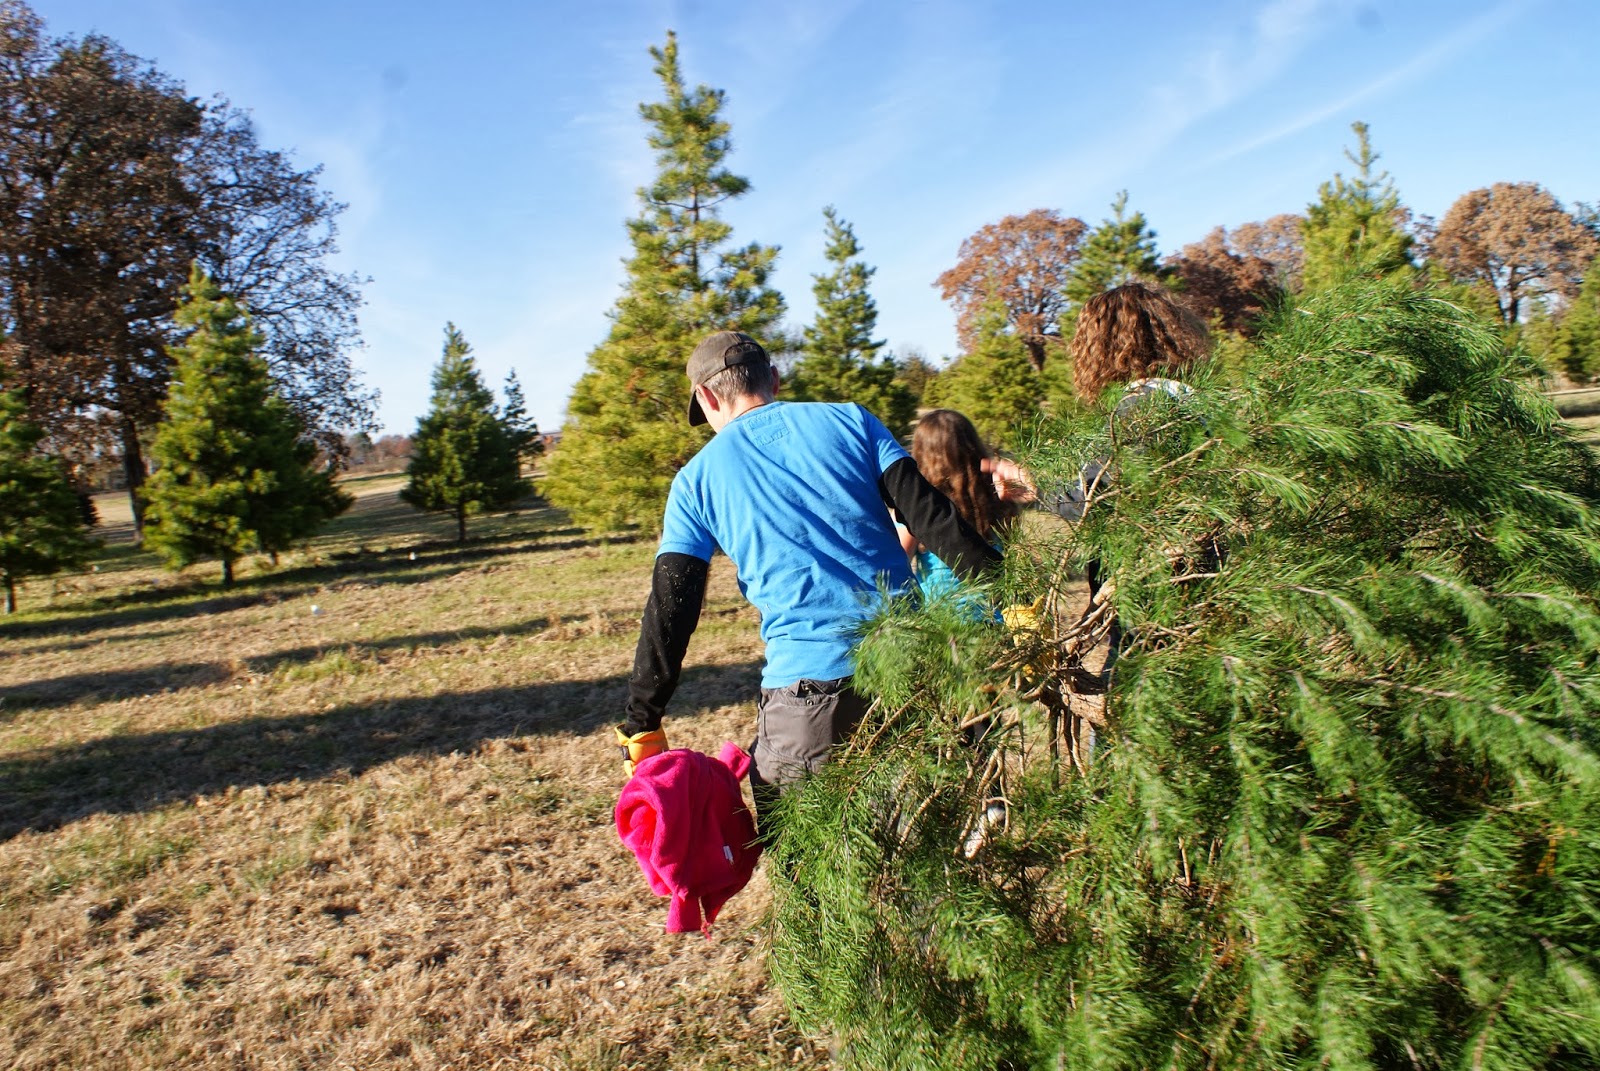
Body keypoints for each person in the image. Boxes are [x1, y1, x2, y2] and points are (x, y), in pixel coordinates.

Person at [615, 330, 1000, 834]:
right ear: (773, 379)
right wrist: (1011, 596)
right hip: (910, 666)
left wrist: (643, 721)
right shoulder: (853, 420)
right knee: (925, 835)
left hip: (810, 695)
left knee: (802, 855)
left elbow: (672, 607)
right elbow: (933, 518)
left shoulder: (694, 481)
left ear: (707, 398)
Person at [898, 409, 1018, 611]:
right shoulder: (993, 495)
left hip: (944, 620)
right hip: (996, 614)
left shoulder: (919, 504)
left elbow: (898, 561)